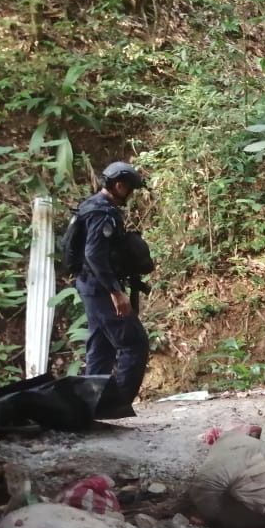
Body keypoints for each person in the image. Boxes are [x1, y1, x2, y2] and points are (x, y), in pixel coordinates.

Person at [72, 161, 150, 415]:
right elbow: (94, 255)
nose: (130, 194)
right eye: (130, 189)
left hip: (91, 285)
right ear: (119, 185)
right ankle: (117, 404)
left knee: (101, 346)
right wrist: (116, 292)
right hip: (100, 287)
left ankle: (90, 407)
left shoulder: (91, 206)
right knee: (134, 342)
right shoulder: (102, 212)